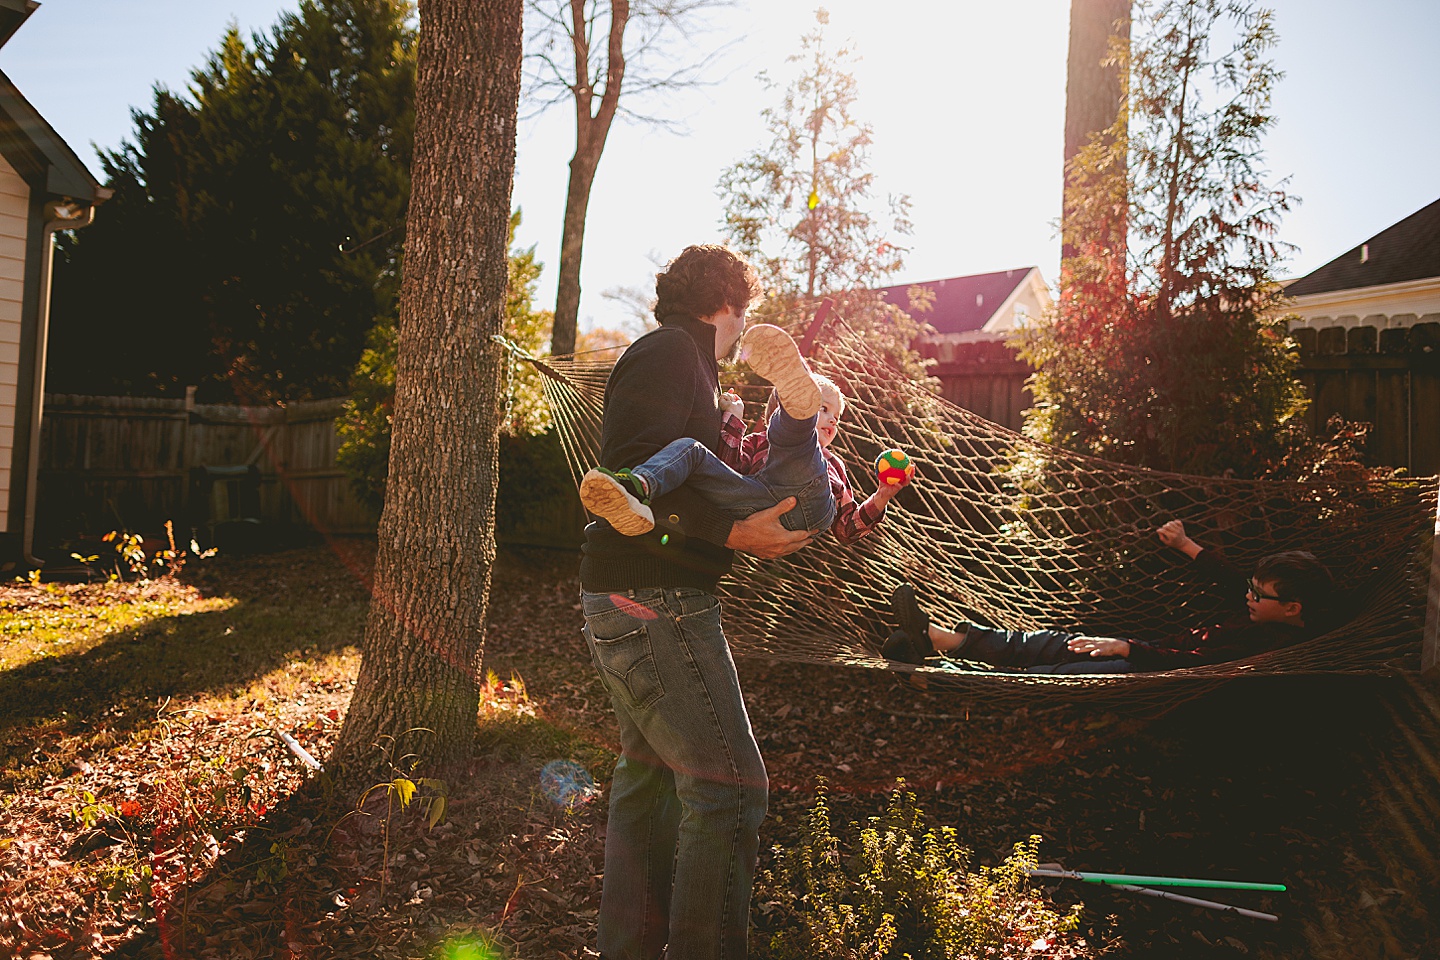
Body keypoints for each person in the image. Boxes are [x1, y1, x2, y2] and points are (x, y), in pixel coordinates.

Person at [578, 244, 810, 960]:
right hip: (654, 601)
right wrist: (734, 529)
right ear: (726, 307)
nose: (743, 331)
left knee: (648, 788)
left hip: (638, 597)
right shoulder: (672, 351)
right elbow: (628, 475)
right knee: (732, 788)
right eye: (743, 316)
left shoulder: (691, 365)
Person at [579, 322, 911, 546]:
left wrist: (881, 496)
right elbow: (726, 466)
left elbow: (845, 527)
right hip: (754, 500)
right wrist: (733, 419)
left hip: (809, 507)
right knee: (692, 450)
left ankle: (798, 412)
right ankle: (634, 489)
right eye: (822, 409)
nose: (833, 422)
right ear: (771, 413)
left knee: (798, 444)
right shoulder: (756, 442)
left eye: (836, 417)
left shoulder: (832, 465)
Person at [881, 520, 1335, 674]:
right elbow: (1230, 577)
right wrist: (1185, 545)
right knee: (1054, 642)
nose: (1248, 595)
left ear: (1292, 608)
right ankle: (935, 638)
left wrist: (1127, 648)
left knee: (1055, 673)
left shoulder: (1269, 648)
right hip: (1149, 649)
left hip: (1150, 672)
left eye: (1259, 593)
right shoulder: (1270, 613)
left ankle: (934, 674)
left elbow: (1192, 667)